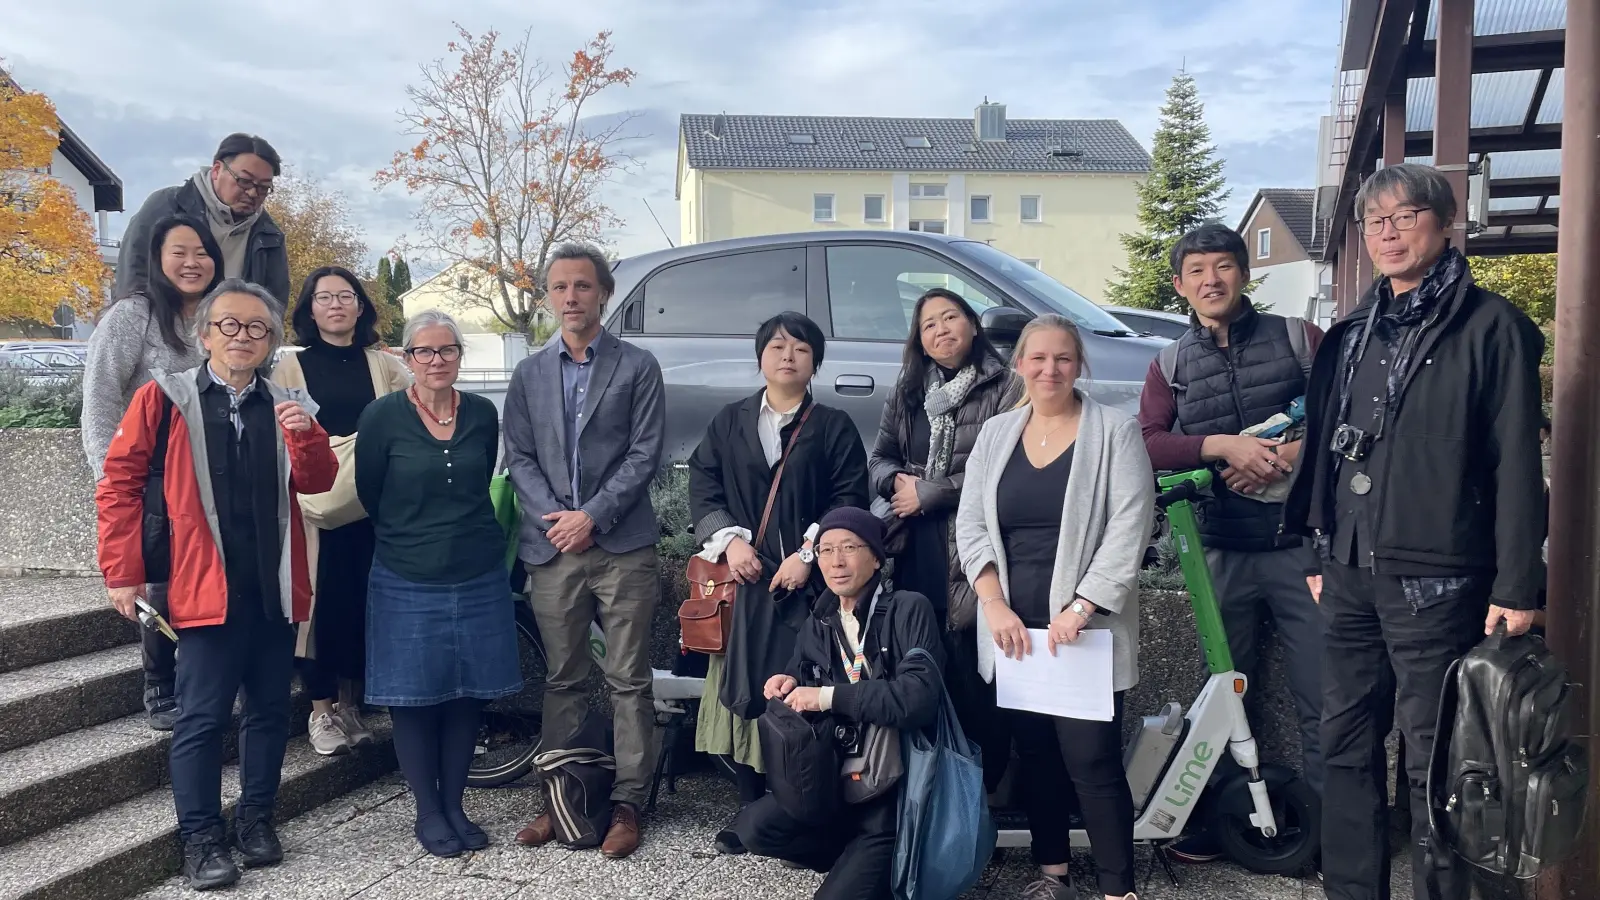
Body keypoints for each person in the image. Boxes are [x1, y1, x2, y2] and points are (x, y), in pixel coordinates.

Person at [1282, 162, 1546, 900]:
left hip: (1441, 575)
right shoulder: (1353, 332)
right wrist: (1316, 540)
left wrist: (1518, 584)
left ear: (1444, 221)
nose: (1387, 234)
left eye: (1403, 217)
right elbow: (1330, 449)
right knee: (1343, 743)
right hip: (1348, 568)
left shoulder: (1491, 326)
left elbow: (1519, 463)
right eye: (1374, 222)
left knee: (1440, 757)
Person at [94, 280, 336, 891]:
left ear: (271, 341)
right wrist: (122, 572)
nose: (242, 337)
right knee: (200, 718)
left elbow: (318, 480)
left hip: (272, 586)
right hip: (202, 589)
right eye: (228, 325)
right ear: (205, 335)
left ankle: (257, 822)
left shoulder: (286, 401)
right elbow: (119, 483)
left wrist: (305, 434)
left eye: (257, 328)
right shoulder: (163, 397)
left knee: (269, 711)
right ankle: (199, 839)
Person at [1135, 223, 1326, 864]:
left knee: (1322, 694)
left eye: (1222, 266)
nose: (1210, 280)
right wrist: (1224, 447)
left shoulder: (1297, 338)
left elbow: (1348, 413)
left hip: (1301, 546)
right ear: (1179, 284)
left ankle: (1334, 830)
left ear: (1245, 274)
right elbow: (1151, 441)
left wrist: (1293, 453)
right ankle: (1224, 822)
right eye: (1196, 271)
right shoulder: (1169, 363)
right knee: (1224, 695)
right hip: (1219, 549)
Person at [955, 314, 1155, 900]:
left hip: (1084, 631)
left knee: (1092, 762)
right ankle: (1053, 875)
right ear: (1019, 364)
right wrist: (991, 603)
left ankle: (1119, 889)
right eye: (1038, 358)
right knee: (1035, 753)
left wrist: (1082, 606)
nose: (1050, 369)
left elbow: (1130, 527)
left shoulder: (1114, 432)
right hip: (1014, 629)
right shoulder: (996, 435)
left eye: (1063, 358)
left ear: (1080, 365)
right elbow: (971, 523)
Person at [503, 242, 666, 860]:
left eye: (582, 286)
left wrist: (592, 517)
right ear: (548, 296)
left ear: (603, 293)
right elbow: (517, 455)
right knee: (564, 680)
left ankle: (628, 803)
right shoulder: (528, 373)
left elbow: (646, 453)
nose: (571, 297)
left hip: (621, 544)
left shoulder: (637, 366)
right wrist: (558, 521)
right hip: (553, 548)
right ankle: (561, 798)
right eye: (559, 287)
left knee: (628, 679)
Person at [687, 311, 870, 846]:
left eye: (801, 349)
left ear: (815, 362)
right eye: (776, 346)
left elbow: (849, 498)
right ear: (761, 356)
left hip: (811, 589)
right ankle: (752, 813)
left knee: (802, 690)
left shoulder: (832, 425)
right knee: (746, 692)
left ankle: (801, 806)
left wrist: (810, 553)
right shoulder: (730, 420)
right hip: (745, 583)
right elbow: (704, 484)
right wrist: (731, 541)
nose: (788, 356)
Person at [355, 309, 521, 857]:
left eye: (446, 350)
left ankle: (455, 804)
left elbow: (480, 486)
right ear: (407, 359)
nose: (436, 360)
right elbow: (370, 493)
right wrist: (414, 539)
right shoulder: (381, 417)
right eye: (423, 352)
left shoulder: (480, 413)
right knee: (415, 698)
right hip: (406, 573)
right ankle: (428, 812)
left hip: (476, 570)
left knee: (467, 696)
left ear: (459, 356)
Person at [733, 507, 943, 900]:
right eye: (826, 550)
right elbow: (800, 668)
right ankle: (848, 858)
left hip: (890, 792)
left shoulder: (908, 609)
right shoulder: (822, 618)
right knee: (754, 829)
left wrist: (827, 696)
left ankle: (874, 865)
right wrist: (789, 681)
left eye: (849, 547)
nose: (836, 561)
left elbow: (919, 698)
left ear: (877, 557)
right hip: (834, 776)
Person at [867, 288, 1020, 791]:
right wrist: (896, 485)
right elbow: (880, 456)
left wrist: (929, 494)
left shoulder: (1006, 386)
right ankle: (932, 789)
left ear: (973, 325)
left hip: (971, 550)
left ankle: (986, 791)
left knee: (977, 682)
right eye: (928, 324)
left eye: (950, 317)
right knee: (925, 667)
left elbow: (1007, 470)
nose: (940, 330)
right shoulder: (910, 386)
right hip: (912, 549)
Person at [82, 216, 224, 731]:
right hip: (148, 472)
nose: (192, 263)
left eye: (202, 252)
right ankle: (158, 680)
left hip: (210, 472)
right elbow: (98, 400)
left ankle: (201, 675)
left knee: (203, 577)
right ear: (157, 260)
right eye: (179, 252)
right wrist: (112, 480)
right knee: (154, 583)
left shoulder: (220, 315)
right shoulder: (132, 316)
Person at [273, 267, 411, 756]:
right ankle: (321, 711)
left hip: (373, 504)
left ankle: (352, 704)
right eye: (323, 296)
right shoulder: (286, 368)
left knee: (362, 603)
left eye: (345, 296)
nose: (335, 304)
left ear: (361, 306)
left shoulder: (388, 366)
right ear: (309, 308)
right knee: (319, 606)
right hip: (315, 507)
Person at [115, 134, 289, 305]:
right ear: (216, 170)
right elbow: (133, 275)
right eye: (244, 181)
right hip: (159, 326)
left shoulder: (270, 236)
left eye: (264, 187)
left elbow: (274, 305)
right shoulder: (165, 206)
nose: (253, 193)